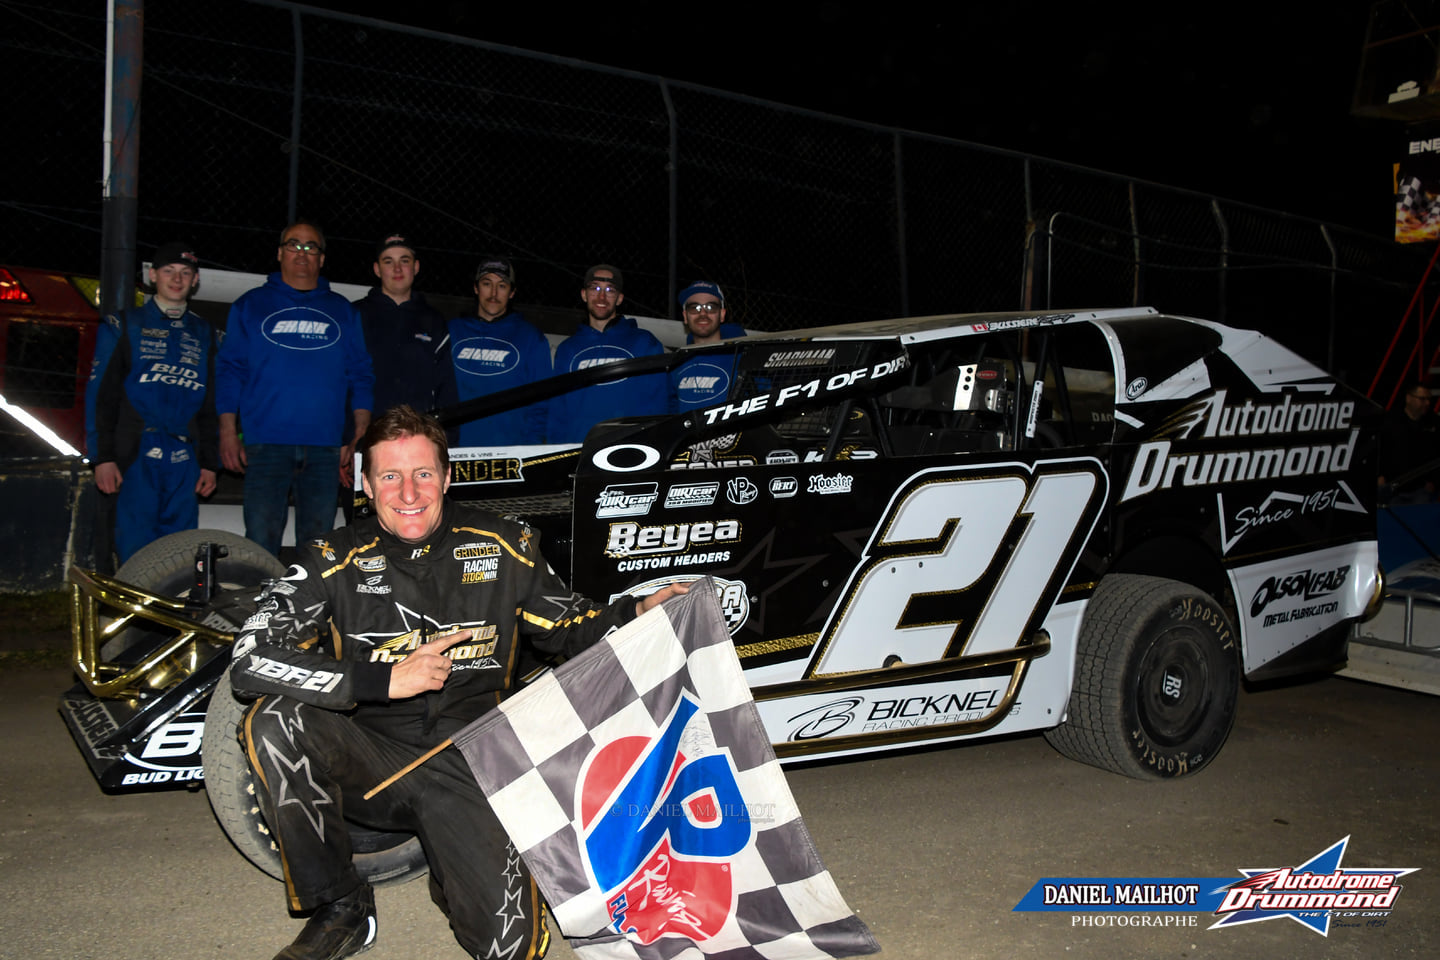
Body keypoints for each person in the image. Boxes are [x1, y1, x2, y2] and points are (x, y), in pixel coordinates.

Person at [229, 405, 685, 960]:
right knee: (276, 721)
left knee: (512, 949)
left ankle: (453, 871)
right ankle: (341, 906)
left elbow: (569, 625)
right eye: (390, 476)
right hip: (369, 759)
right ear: (366, 484)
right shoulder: (330, 558)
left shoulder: (505, 544)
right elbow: (250, 659)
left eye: (423, 473)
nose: (408, 492)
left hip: (473, 764)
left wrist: (637, 612)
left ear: (447, 477)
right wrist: (383, 679)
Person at [215, 221, 375, 559]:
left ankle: (311, 610)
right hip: (265, 445)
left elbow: (360, 373)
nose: (302, 253)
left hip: (325, 450)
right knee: (260, 538)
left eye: (311, 247)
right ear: (279, 253)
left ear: (322, 258)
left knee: (319, 546)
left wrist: (359, 431)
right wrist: (228, 432)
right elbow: (230, 371)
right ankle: (263, 609)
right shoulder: (250, 305)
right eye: (294, 245)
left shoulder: (343, 310)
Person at [84, 241, 220, 563]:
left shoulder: (207, 334)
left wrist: (209, 463)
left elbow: (211, 405)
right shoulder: (122, 325)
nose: (177, 279)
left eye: (185, 273)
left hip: (184, 457)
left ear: (195, 280)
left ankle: (167, 611)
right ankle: (133, 612)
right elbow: (100, 398)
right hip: (134, 453)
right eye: (169, 271)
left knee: (180, 551)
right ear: (152, 275)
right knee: (134, 543)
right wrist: (101, 457)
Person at [546, 264, 667, 442]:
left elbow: (659, 404)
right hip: (578, 451)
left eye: (609, 290)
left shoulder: (644, 343)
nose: (601, 296)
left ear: (619, 298)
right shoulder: (567, 349)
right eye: (595, 288)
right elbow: (557, 411)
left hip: (629, 450)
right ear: (584, 295)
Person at [353, 233, 456, 422]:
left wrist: (446, 438)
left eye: (404, 260)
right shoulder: (355, 314)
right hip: (365, 435)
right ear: (377, 269)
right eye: (388, 261)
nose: (397, 269)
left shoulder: (434, 321)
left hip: (417, 434)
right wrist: (348, 436)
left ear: (416, 267)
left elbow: (445, 386)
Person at [448, 255, 551, 445]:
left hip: (509, 453)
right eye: (487, 284)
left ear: (512, 292)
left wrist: (529, 450)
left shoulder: (531, 338)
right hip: (456, 449)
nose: (494, 293)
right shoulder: (451, 332)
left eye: (502, 286)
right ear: (476, 288)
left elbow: (542, 403)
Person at [670, 280, 747, 411]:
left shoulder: (744, 360)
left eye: (710, 307)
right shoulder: (674, 365)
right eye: (695, 308)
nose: (703, 314)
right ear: (685, 316)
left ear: (722, 314)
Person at [1379, 380, 1440, 504]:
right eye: (1422, 399)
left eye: (1429, 399)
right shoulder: (1391, 421)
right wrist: (1380, 475)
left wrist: (1434, 481)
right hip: (1393, 486)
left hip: (1421, 489)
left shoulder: (1434, 423)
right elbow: (1381, 449)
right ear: (1409, 398)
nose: (1427, 403)